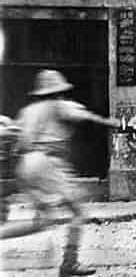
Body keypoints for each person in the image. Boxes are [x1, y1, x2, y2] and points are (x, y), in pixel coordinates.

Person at [1, 70, 119, 276]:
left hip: (26, 164)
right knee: (79, 212)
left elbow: (14, 136)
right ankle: (69, 263)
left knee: (42, 221)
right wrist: (112, 123)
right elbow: (84, 116)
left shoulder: (28, 111)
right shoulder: (59, 105)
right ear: (58, 92)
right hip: (48, 164)